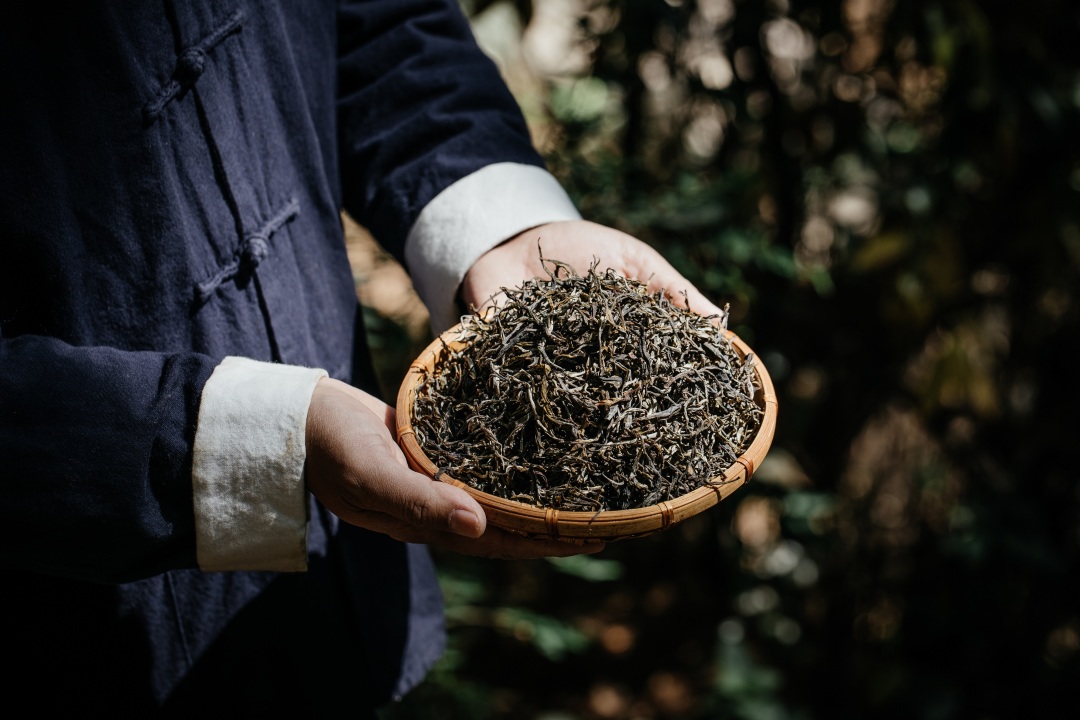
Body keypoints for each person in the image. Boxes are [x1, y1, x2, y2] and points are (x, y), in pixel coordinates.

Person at [0, 0, 723, 715]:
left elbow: (385, 23)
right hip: (83, 629)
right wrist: (241, 439)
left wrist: (501, 227)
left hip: (348, 600)